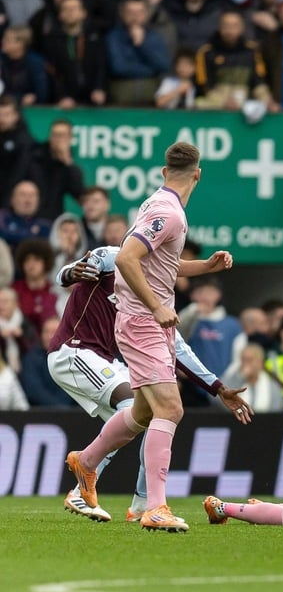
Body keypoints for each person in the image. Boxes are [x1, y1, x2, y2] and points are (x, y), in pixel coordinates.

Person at [64, 142, 253, 532]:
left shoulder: (158, 206)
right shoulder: (168, 212)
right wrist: (157, 306)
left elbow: (157, 263)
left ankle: (87, 460)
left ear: (164, 172)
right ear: (197, 175)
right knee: (172, 409)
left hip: (144, 323)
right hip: (143, 322)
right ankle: (155, 506)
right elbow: (126, 259)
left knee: (144, 412)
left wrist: (204, 266)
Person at [51, 245, 249, 522]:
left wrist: (218, 387)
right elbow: (64, 275)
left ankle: (141, 504)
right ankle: (82, 486)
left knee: (148, 416)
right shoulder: (112, 256)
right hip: (73, 352)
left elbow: (179, 350)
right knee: (136, 406)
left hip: (104, 360)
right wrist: (72, 271)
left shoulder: (155, 297)